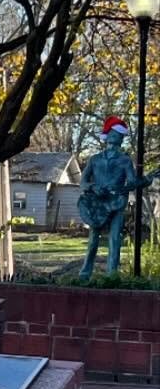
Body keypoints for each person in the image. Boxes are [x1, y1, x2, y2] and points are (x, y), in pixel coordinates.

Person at [78, 116, 154, 280]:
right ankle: (84, 274)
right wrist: (93, 187)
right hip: (98, 206)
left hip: (117, 204)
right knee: (92, 241)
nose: (118, 137)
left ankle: (111, 276)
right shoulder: (95, 159)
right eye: (115, 133)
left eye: (120, 135)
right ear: (109, 134)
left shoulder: (125, 160)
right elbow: (82, 182)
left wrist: (146, 181)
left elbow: (132, 182)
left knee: (114, 240)